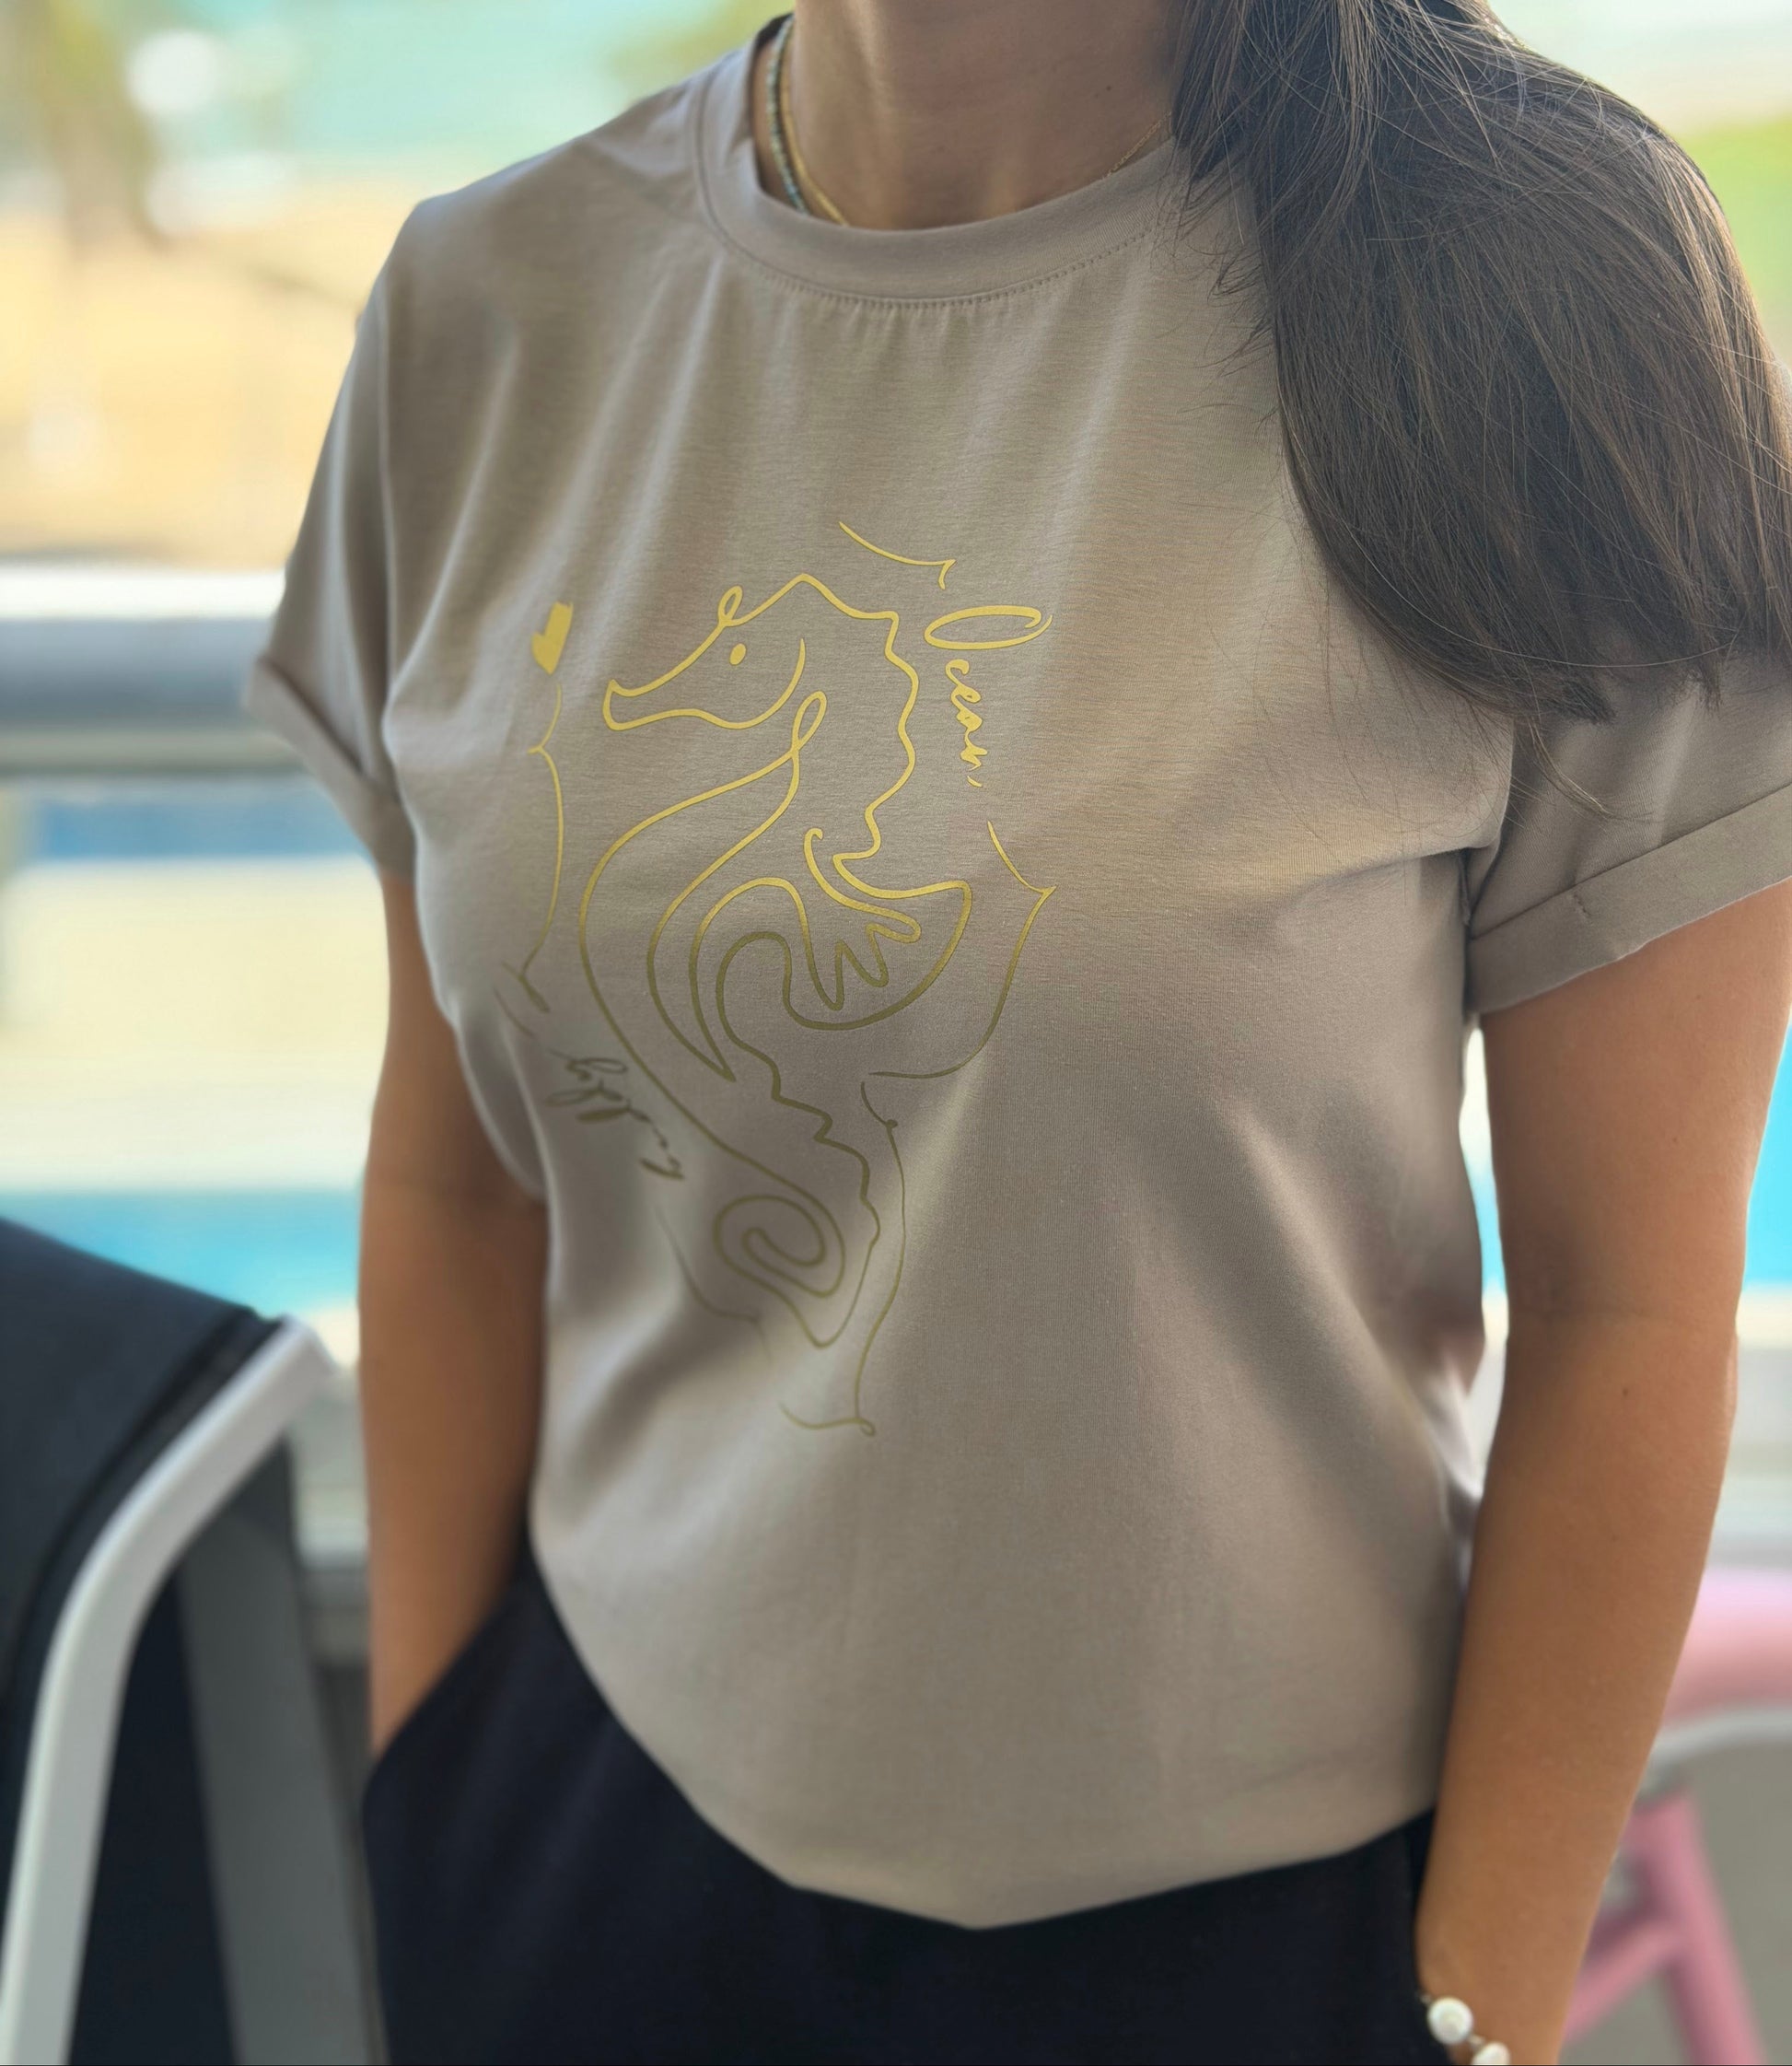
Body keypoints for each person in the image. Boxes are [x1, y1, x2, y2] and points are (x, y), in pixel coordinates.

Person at [240, 4, 1792, 2061]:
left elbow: (1626, 1313)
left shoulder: (1549, 293)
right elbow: (454, 1182)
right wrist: (432, 1808)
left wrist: (1463, 2018)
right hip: (593, 1839)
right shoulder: (490, 303)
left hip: (1263, 1936)